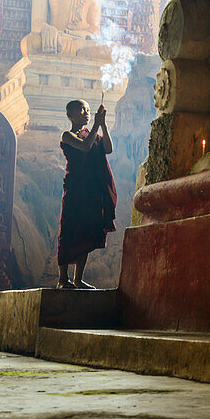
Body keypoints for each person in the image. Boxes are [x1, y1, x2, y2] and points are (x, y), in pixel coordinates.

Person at [57, 99, 116, 289]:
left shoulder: (93, 135)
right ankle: (62, 279)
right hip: (75, 189)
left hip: (91, 190)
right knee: (69, 229)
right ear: (70, 115)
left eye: (88, 110)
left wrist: (104, 126)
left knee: (86, 232)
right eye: (81, 109)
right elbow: (85, 147)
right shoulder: (67, 136)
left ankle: (78, 279)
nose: (86, 112)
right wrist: (97, 125)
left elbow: (108, 149)